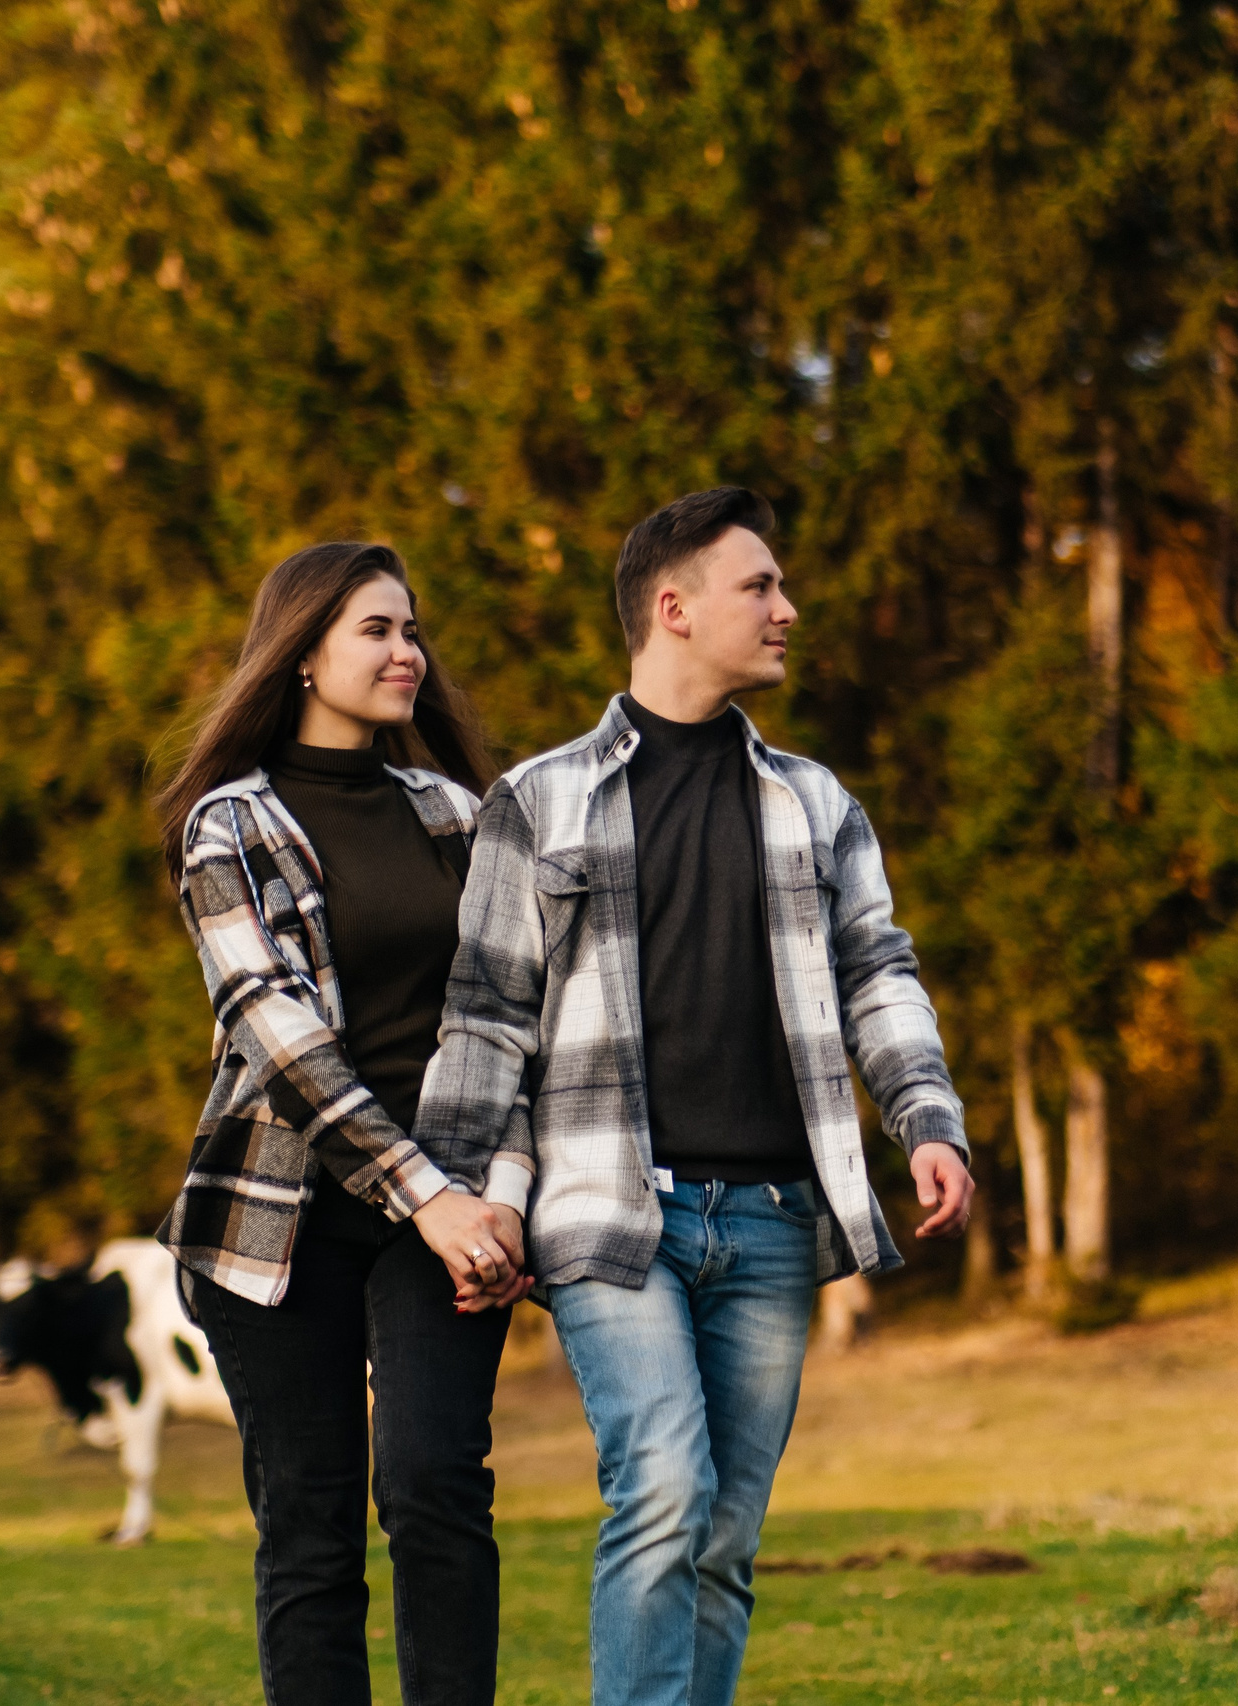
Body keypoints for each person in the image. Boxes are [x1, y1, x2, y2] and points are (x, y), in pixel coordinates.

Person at [416, 488, 975, 1706]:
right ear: (673, 608)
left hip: (775, 1215)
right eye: (758, 586)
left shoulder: (815, 803)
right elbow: (488, 1019)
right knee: (663, 1480)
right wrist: (468, 1204)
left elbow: (880, 971)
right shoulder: (540, 798)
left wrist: (925, 1117)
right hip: (617, 1215)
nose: (787, 608)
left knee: (725, 1535)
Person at [151, 542, 533, 1706]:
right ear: (303, 650)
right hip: (276, 1229)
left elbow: (527, 1021)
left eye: (412, 630)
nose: (408, 651)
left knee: (433, 1487)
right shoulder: (227, 826)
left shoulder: (459, 815)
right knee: (309, 1529)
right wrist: (431, 1193)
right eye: (377, 628)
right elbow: (277, 1033)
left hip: (454, 1216)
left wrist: (500, 1198)